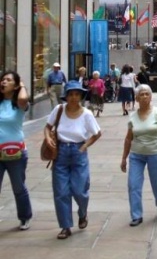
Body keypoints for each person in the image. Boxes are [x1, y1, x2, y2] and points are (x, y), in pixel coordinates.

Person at [43, 80, 102, 240]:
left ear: (81, 96)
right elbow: (48, 127)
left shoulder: (87, 114)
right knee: (61, 192)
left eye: (77, 94)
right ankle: (65, 226)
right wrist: (48, 138)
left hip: (78, 153)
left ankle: (82, 213)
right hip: (60, 152)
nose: (74, 97)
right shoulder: (59, 109)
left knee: (80, 190)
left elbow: (97, 133)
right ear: (66, 96)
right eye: (71, 94)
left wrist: (84, 147)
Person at [120, 84, 157, 225]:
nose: (144, 97)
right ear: (136, 98)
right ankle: (136, 215)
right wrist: (124, 158)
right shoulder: (132, 116)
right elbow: (128, 138)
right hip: (136, 155)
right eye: (141, 94)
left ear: (150, 96)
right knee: (133, 184)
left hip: (155, 153)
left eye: (146, 94)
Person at [0, 71, 32, 231]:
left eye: (8, 80)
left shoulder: (19, 103)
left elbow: (23, 98)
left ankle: (25, 216)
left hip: (16, 153)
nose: (4, 82)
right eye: (3, 80)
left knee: (18, 187)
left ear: (16, 85)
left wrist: (23, 86)